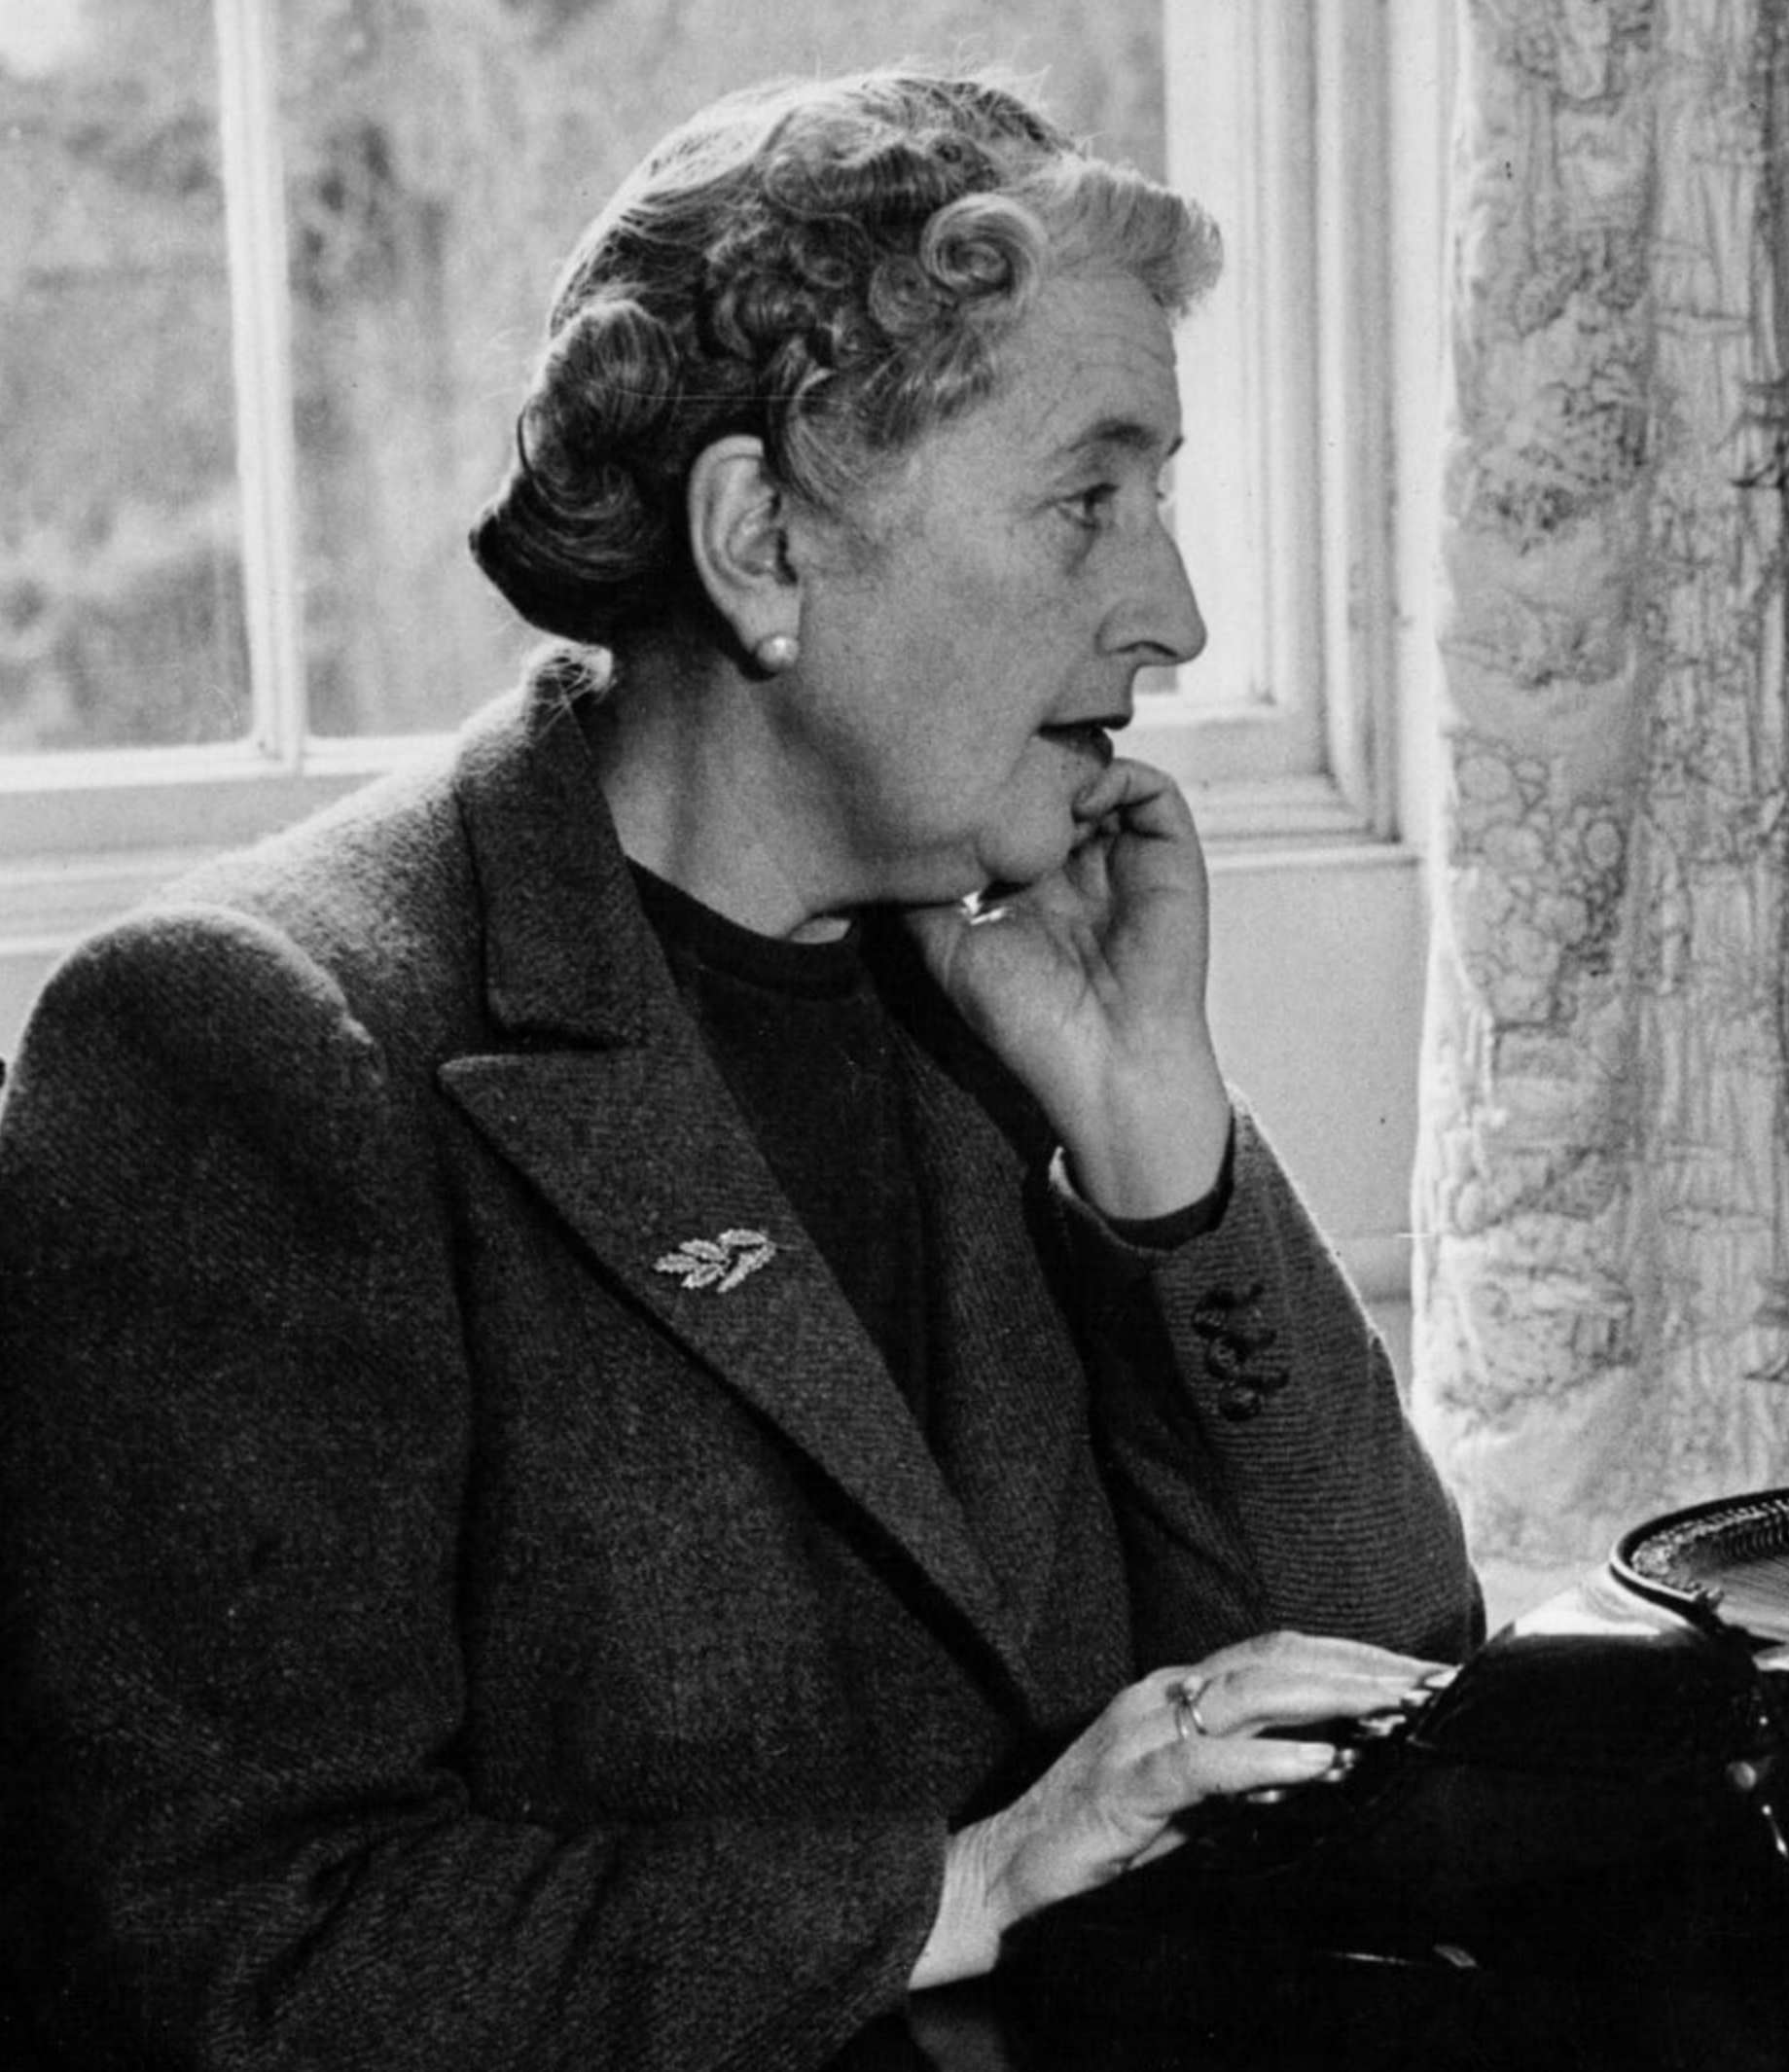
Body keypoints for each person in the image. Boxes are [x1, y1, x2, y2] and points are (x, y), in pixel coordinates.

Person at [0, 67, 1481, 2071]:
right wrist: (962, 1882)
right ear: (761, 539)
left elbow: (1389, 1694)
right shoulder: (249, 1047)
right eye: (1085, 498)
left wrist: (1154, 1139)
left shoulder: (983, 970)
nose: (1180, 614)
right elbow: (240, 1962)